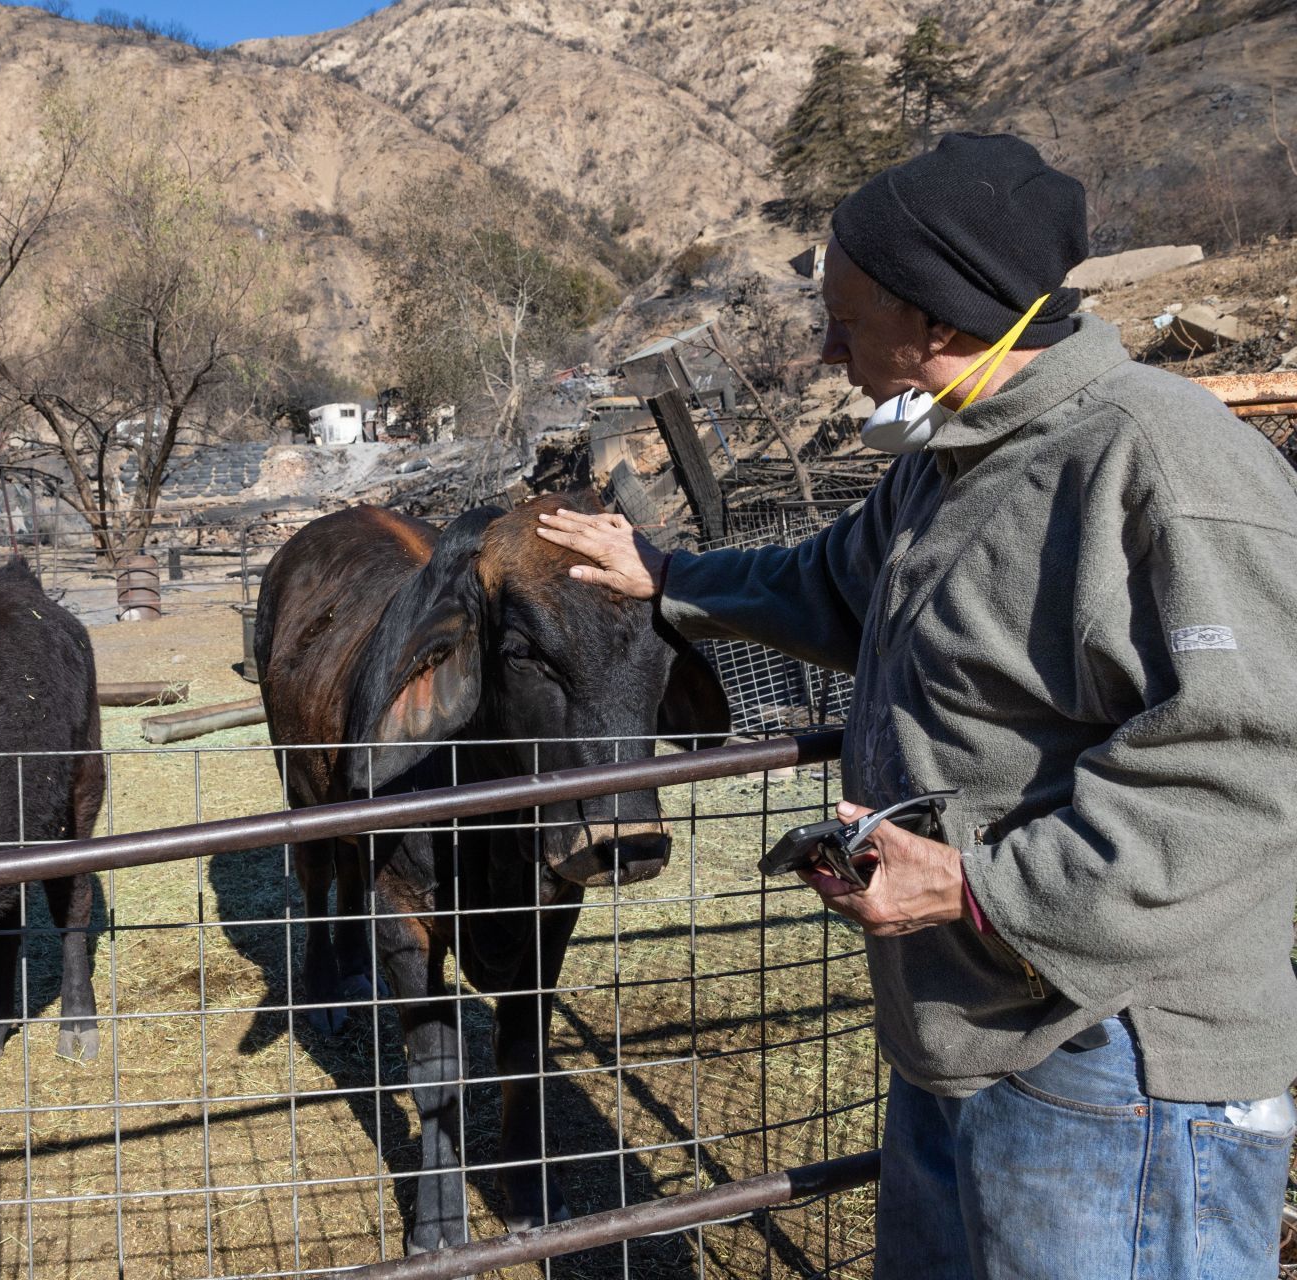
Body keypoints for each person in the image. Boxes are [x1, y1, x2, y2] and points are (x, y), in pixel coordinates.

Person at [537, 132, 1297, 1278]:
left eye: (846, 317)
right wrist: (672, 576)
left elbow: (1241, 765)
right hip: (964, 1029)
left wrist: (980, 884)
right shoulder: (948, 463)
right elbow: (829, 580)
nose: (828, 346)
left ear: (941, 321)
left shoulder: (1160, 465)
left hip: (1119, 1060)